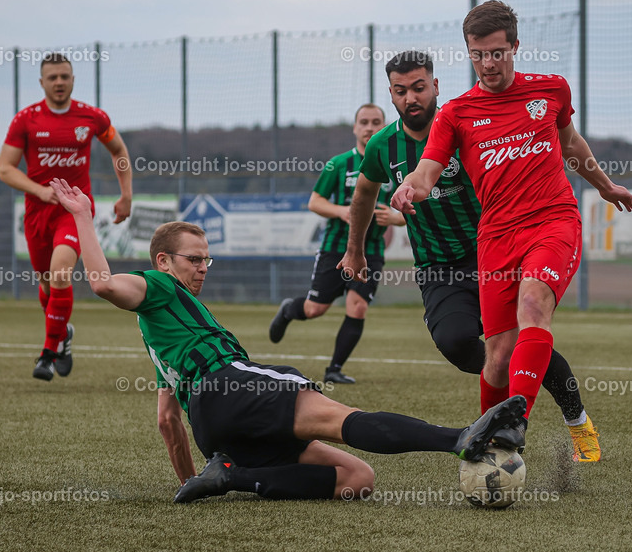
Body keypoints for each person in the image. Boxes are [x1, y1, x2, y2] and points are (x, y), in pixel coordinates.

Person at [49, 177, 526, 503]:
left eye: (206, 260)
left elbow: (167, 422)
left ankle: (235, 476)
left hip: (217, 429)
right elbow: (104, 283)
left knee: (357, 480)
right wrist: (83, 218)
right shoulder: (157, 287)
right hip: (231, 388)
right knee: (343, 417)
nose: (201, 268)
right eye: (193, 259)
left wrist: (191, 482)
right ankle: (459, 438)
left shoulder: (163, 338)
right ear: (163, 262)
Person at [391, 2, 632, 457]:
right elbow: (428, 171)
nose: (487, 64)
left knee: (533, 304)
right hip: (497, 236)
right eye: (477, 54)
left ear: (515, 48)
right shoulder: (457, 114)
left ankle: (512, 426)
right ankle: (494, 449)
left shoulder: (551, 90)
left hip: (553, 221)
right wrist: (410, 187)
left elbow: (570, 143)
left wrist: (605, 186)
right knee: (499, 355)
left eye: (496, 53)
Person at [340, 50, 594, 460]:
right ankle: (515, 383)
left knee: (528, 322)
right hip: (439, 266)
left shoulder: (467, 125)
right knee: (458, 342)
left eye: (419, 88)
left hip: (491, 251)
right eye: (401, 91)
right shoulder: (383, 147)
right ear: (391, 95)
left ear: (435, 87)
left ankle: (575, 417)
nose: (412, 99)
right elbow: (364, 195)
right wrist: (355, 251)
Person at [0, 52, 133, 381]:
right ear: (42, 82)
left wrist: (126, 194)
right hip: (37, 213)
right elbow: (5, 169)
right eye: (53, 77)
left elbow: (118, 151)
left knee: (61, 273)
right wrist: (39, 191)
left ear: (73, 80)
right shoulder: (25, 120)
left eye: (65, 76)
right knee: (47, 284)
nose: (59, 82)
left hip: (75, 211)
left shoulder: (92, 117)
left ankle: (47, 354)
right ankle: (63, 334)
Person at [268, 103, 404, 385]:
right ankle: (288, 309)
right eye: (364, 122)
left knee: (358, 306)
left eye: (376, 122)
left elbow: (410, 211)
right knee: (315, 309)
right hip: (335, 248)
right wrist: (344, 211)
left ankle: (334, 369)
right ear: (355, 128)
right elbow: (315, 202)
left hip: (373, 251)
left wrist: (395, 217)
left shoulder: (396, 163)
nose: (369, 127)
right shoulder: (338, 164)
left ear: (385, 127)